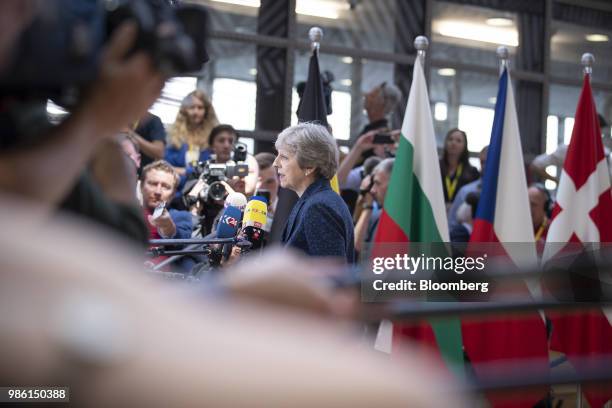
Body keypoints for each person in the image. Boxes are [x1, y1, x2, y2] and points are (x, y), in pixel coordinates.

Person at [273, 123, 355, 263]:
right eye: (278, 155)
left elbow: (331, 278)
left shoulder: (319, 207)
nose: (276, 163)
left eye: (284, 157)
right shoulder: (314, 200)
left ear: (309, 165)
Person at [165, 89, 219, 175]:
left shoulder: (214, 136)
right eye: (192, 107)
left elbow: (215, 167)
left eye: (200, 108)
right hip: (177, 184)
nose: (195, 112)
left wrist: (185, 171)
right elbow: (166, 166)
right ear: (185, 110)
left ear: (206, 111)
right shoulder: (174, 135)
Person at [141, 160, 192, 241]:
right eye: (153, 184)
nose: (158, 192)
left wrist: (169, 228)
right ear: (141, 186)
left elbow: (183, 242)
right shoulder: (126, 214)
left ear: (173, 194)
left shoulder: (181, 217)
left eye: (165, 187)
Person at [354, 158, 393, 260]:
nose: (372, 190)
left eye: (378, 183)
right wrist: (366, 205)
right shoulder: (377, 215)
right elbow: (355, 249)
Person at [439, 128, 479, 207]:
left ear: (465, 146)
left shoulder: (472, 172)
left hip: (460, 216)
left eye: (458, 141)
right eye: (450, 139)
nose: (453, 143)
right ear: (445, 143)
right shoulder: (436, 167)